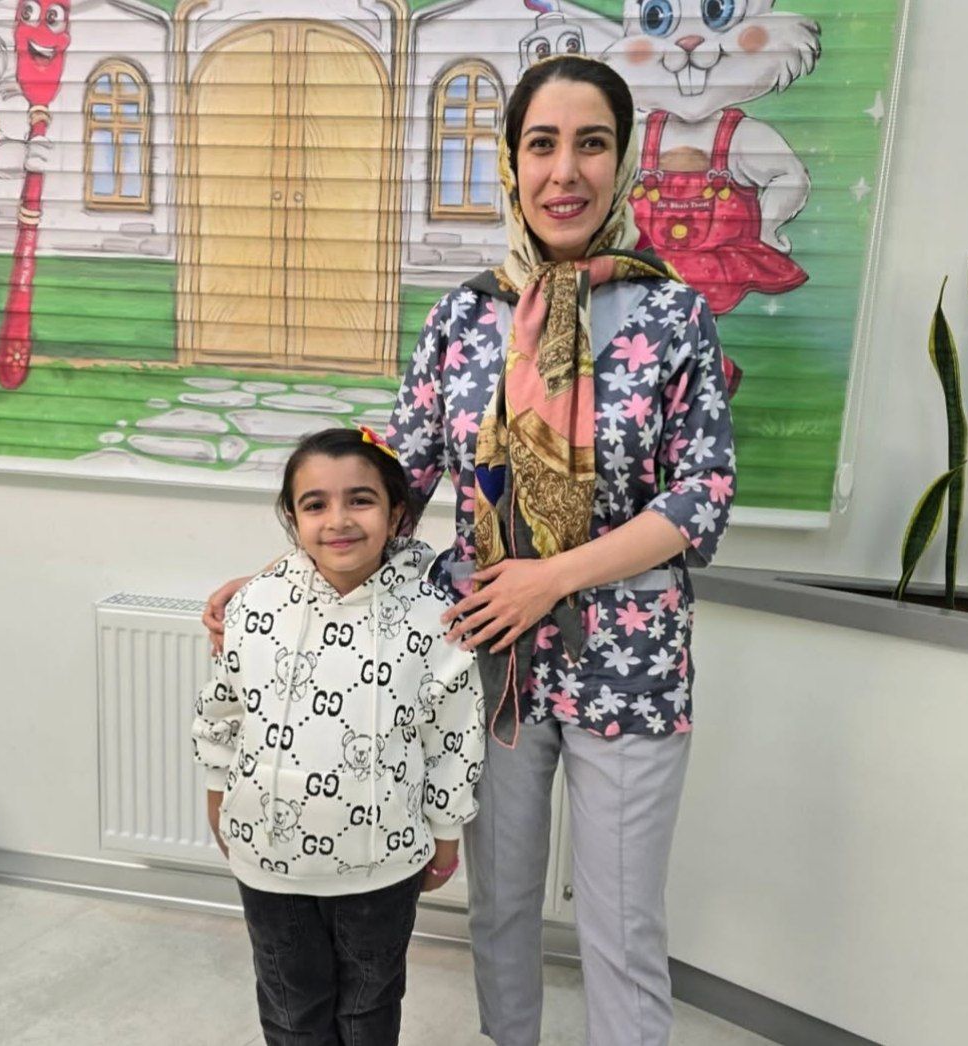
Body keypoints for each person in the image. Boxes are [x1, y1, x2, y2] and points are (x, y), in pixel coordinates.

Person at [205, 55, 735, 1046]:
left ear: (623, 161)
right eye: (543, 144)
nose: (565, 171)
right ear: (512, 161)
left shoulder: (672, 316)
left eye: (591, 144)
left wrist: (551, 577)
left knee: (622, 923)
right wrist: (283, 581)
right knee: (500, 903)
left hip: (631, 660)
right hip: (488, 657)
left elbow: (701, 496)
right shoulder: (463, 318)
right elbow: (394, 486)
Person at [193, 426, 485, 1046]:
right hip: (271, 864)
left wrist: (445, 833)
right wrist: (218, 794)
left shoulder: (434, 619)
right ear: (292, 517)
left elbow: (452, 739)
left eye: (360, 499)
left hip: (383, 869)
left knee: (368, 1011)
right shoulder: (254, 608)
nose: (338, 520)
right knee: (292, 1013)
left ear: (396, 512)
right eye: (315, 504)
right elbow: (224, 709)